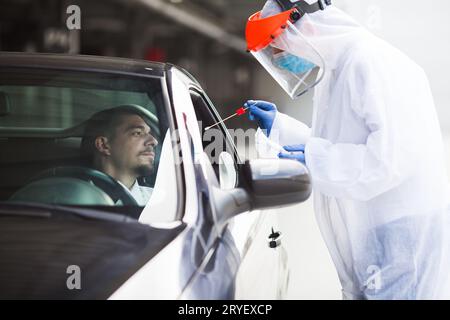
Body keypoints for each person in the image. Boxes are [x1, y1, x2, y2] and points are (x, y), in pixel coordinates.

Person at [245, 0, 450, 299]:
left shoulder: (371, 62)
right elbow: (341, 147)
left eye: (278, 48)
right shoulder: (337, 70)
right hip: (378, 234)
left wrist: (314, 161)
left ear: (307, 28)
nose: (278, 59)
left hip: (403, 240)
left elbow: (389, 159)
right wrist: (279, 126)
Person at [80, 105, 158, 206]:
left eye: (149, 133)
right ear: (103, 145)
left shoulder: (163, 203)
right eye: (138, 133)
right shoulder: (69, 198)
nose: (154, 141)